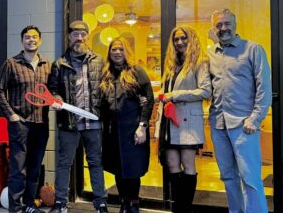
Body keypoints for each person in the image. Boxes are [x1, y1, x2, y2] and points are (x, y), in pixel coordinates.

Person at [208, 9, 272, 213]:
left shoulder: (253, 49)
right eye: (218, 25)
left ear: (235, 25)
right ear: (213, 28)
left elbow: (265, 87)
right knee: (228, 176)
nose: (223, 28)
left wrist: (255, 118)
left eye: (227, 24)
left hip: (245, 125)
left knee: (250, 178)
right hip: (218, 125)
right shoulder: (211, 53)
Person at [47, 20, 109, 213]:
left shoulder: (99, 61)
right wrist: (56, 99)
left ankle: (100, 203)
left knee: (95, 162)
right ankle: (60, 203)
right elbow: (53, 90)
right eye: (75, 34)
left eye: (83, 34)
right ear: (69, 36)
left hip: (93, 122)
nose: (79, 38)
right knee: (64, 162)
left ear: (88, 36)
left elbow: (107, 88)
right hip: (69, 123)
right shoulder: (59, 63)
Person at [0, 25, 51, 213]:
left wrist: (57, 99)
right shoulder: (11, 63)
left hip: (41, 123)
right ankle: (15, 208)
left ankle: (29, 204)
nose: (31, 40)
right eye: (27, 37)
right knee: (19, 168)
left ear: (40, 40)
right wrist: (11, 115)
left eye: (35, 37)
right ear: (22, 41)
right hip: (20, 124)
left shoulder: (47, 66)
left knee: (35, 167)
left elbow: (53, 92)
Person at [155, 26, 211, 213]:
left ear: (191, 39)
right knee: (171, 164)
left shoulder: (200, 62)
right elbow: (166, 90)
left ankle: (184, 209)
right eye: (176, 39)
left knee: (188, 165)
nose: (179, 42)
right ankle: (178, 207)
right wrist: (159, 95)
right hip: (169, 121)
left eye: (183, 38)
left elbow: (205, 91)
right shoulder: (171, 64)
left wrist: (175, 95)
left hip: (188, 123)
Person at [99, 37, 154, 213]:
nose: (117, 52)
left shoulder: (137, 71)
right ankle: (124, 202)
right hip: (112, 131)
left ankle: (134, 203)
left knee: (133, 169)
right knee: (118, 169)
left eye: (121, 49)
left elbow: (148, 100)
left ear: (126, 52)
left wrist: (143, 126)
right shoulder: (105, 74)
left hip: (133, 129)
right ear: (109, 52)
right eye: (114, 49)